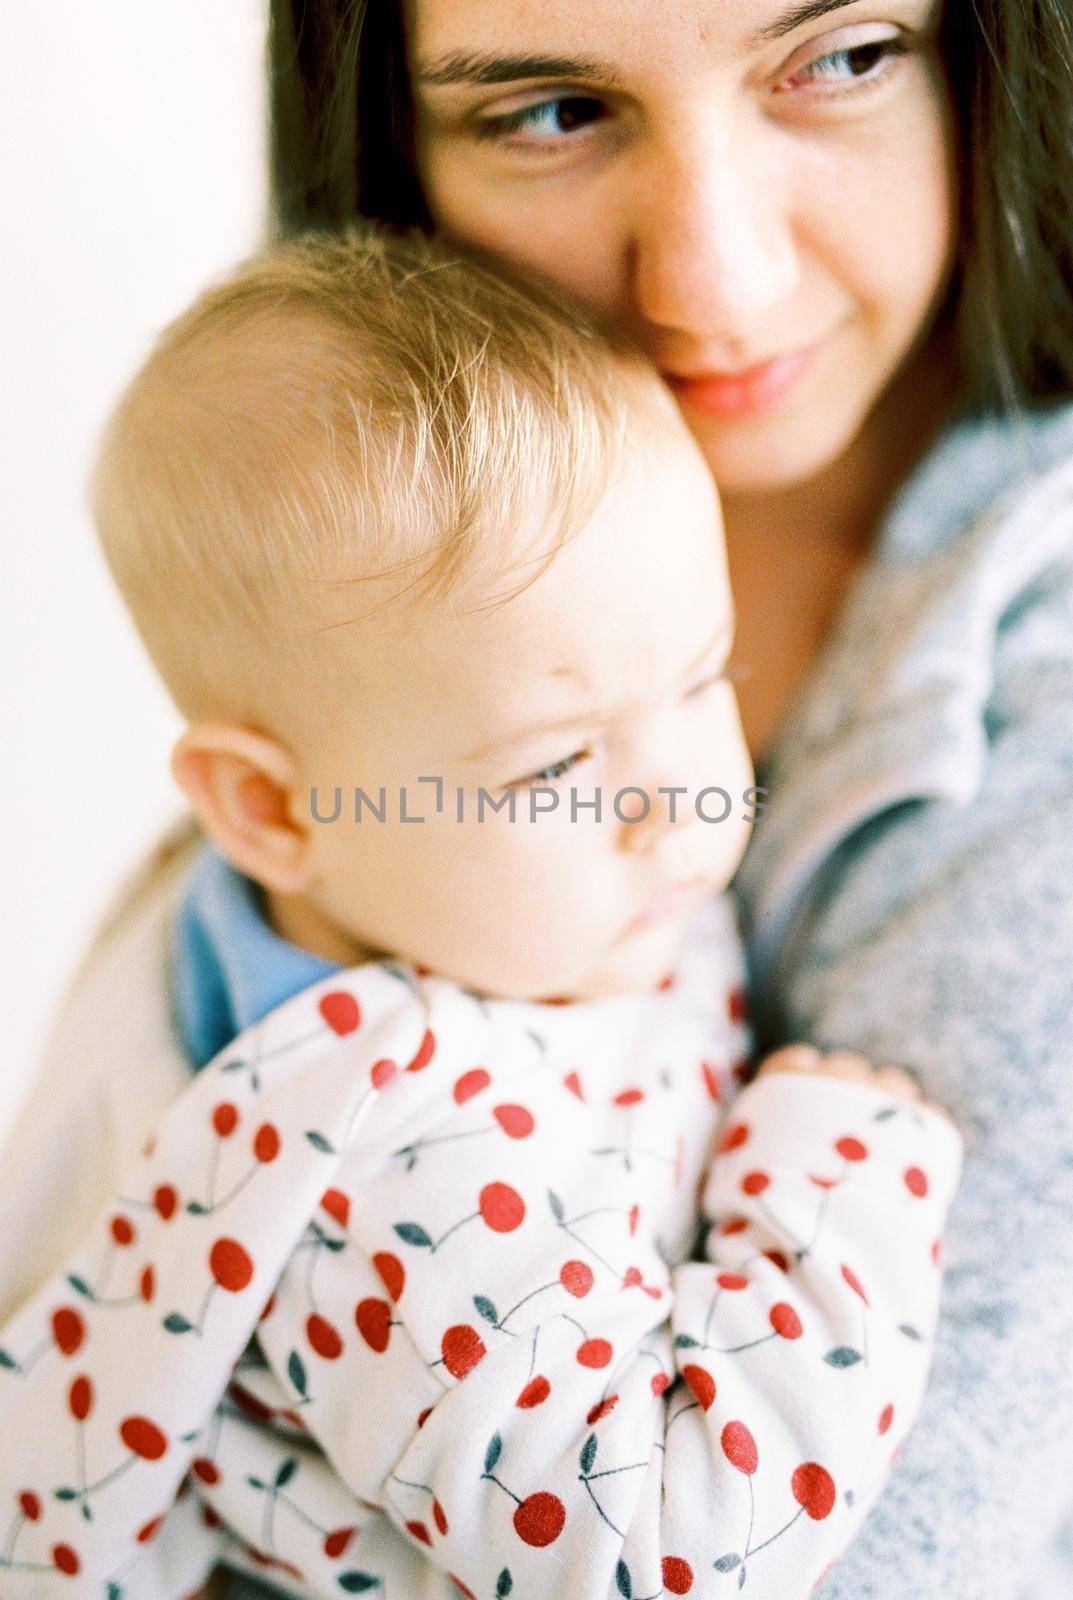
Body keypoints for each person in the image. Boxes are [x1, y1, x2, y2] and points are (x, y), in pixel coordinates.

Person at [2, 0, 1072, 1594]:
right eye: (553, 109)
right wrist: (833, 1159)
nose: (713, 280)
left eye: (840, 55)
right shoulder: (357, 1088)